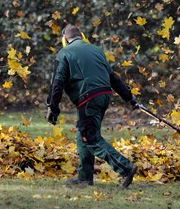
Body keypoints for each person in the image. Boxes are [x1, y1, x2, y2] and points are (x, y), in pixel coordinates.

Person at [46, 24, 139, 188]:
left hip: (88, 98)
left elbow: (57, 83)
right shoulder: (97, 50)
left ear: (64, 40)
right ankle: (85, 177)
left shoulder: (64, 53)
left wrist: (53, 108)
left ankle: (125, 167)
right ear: (82, 36)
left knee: (90, 137)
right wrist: (129, 97)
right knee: (84, 132)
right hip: (104, 96)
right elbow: (114, 78)